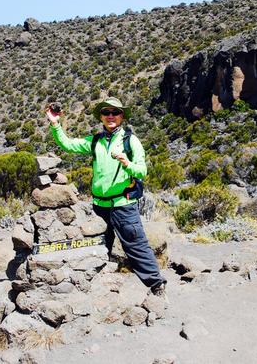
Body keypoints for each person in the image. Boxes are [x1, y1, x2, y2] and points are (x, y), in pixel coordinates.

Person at [45, 97, 167, 296]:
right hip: (99, 207)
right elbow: (67, 144)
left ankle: (157, 287)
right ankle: (98, 288)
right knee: (99, 246)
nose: (110, 116)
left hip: (123, 204)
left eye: (115, 112)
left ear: (122, 116)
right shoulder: (95, 141)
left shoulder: (130, 140)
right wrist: (55, 124)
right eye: (106, 113)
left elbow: (142, 171)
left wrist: (127, 164)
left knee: (136, 247)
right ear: (101, 117)